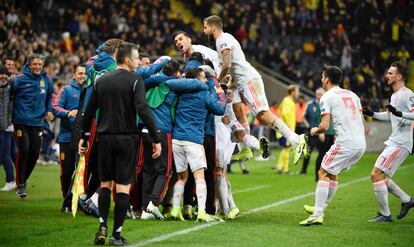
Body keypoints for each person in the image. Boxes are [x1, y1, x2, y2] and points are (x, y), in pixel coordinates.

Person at [79, 42, 161, 246]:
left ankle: (102, 226)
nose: (137, 63)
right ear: (126, 60)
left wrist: (84, 135)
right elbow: (143, 109)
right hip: (126, 139)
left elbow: (89, 111)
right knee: (123, 188)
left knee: (105, 185)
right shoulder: (135, 81)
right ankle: (116, 234)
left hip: (104, 138)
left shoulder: (102, 80)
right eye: (135, 59)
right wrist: (156, 138)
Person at [203, 15, 309, 165]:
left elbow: (227, 65)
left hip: (248, 80)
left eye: (205, 27)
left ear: (213, 27)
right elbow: (232, 67)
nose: (204, 31)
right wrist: (230, 82)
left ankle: (296, 140)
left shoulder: (222, 39)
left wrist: (218, 83)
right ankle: (249, 147)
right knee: (258, 116)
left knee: (263, 114)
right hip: (243, 82)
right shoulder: (224, 40)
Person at [300, 65, 366, 226]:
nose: (321, 80)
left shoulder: (327, 96)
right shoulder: (353, 95)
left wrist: (314, 131)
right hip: (361, 143)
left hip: (345, 143)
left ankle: (317, 213)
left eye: (322, 77)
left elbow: (324, 125)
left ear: (327, 79)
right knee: (332, 173)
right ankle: (320, 207)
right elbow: (363, 122)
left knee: (322, 172)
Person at [169, 67, 225, 222]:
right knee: (199, 177)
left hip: (177, 139)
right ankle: (201, 212)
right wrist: (220, 93)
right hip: (193, 139)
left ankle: (175, 209)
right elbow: (220, 109)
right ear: (197, 78)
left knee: (181, 177)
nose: (206, 80)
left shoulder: (181, 91)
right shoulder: (203, 93)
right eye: (203, 77)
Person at [363, 61, 414, 222]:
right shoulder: (393, 95)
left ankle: (386, 215)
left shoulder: (407, 94)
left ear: (399, 76)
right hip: (394, 142)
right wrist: (372, 113)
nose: (387, 75)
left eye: (390, 73)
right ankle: (407, 200)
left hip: (401, 143)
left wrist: (399, 113)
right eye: (387, 73)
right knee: (381, 177)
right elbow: (390, 115)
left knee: (375, 174)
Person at [12, 53, 54, 199]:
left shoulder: (46, 80)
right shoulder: (19, 79)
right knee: (24, 150)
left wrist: (48, 110)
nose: (37, 67)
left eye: (40, 65)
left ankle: (24, 179)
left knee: (35, 154)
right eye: (35, 64)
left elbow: (50, 98)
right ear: (29, 65)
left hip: (38, 122)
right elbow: (10, 96)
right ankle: (20, 185)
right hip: (21, 121)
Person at [52, 64, 86, 213]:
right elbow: (54, 107)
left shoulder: (89, 91)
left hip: (81, 138)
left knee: (80, 172)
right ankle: (66, 201)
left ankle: (76, 201)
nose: (82, 76)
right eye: (79, 73)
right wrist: (68, 113)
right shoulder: (66, 90)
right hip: (66, 137)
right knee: (66, 171)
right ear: (73, 75)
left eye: (84, 73)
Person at [275, 85, 300, 174]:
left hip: (286, 130)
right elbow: (285, 113)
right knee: (287, 148)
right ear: (292, 92)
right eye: (297, 91)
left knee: (286, 148)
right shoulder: (287, 101)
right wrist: (288, 126)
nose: (298, 93)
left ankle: (280, 166)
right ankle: (284, 169)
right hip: (286, 130)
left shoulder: (289, 101)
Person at [300, 88, 324, 175]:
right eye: (318, 94)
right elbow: (304, 117)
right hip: (312, 132)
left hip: (322, 132)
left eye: (321, 94)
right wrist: (309, 127)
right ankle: (304, 169)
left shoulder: (326, 104)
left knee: (322, 152)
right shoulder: (310, 104)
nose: (319, 96)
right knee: (308, 151)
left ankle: (322, 171)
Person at [0, 65, 16, 191]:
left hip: (7, 127)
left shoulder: (11, 87)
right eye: (1, 73)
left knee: (5, 154)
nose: (3, 76)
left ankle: (11, 180)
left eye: (5, 74)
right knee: (8, 154)